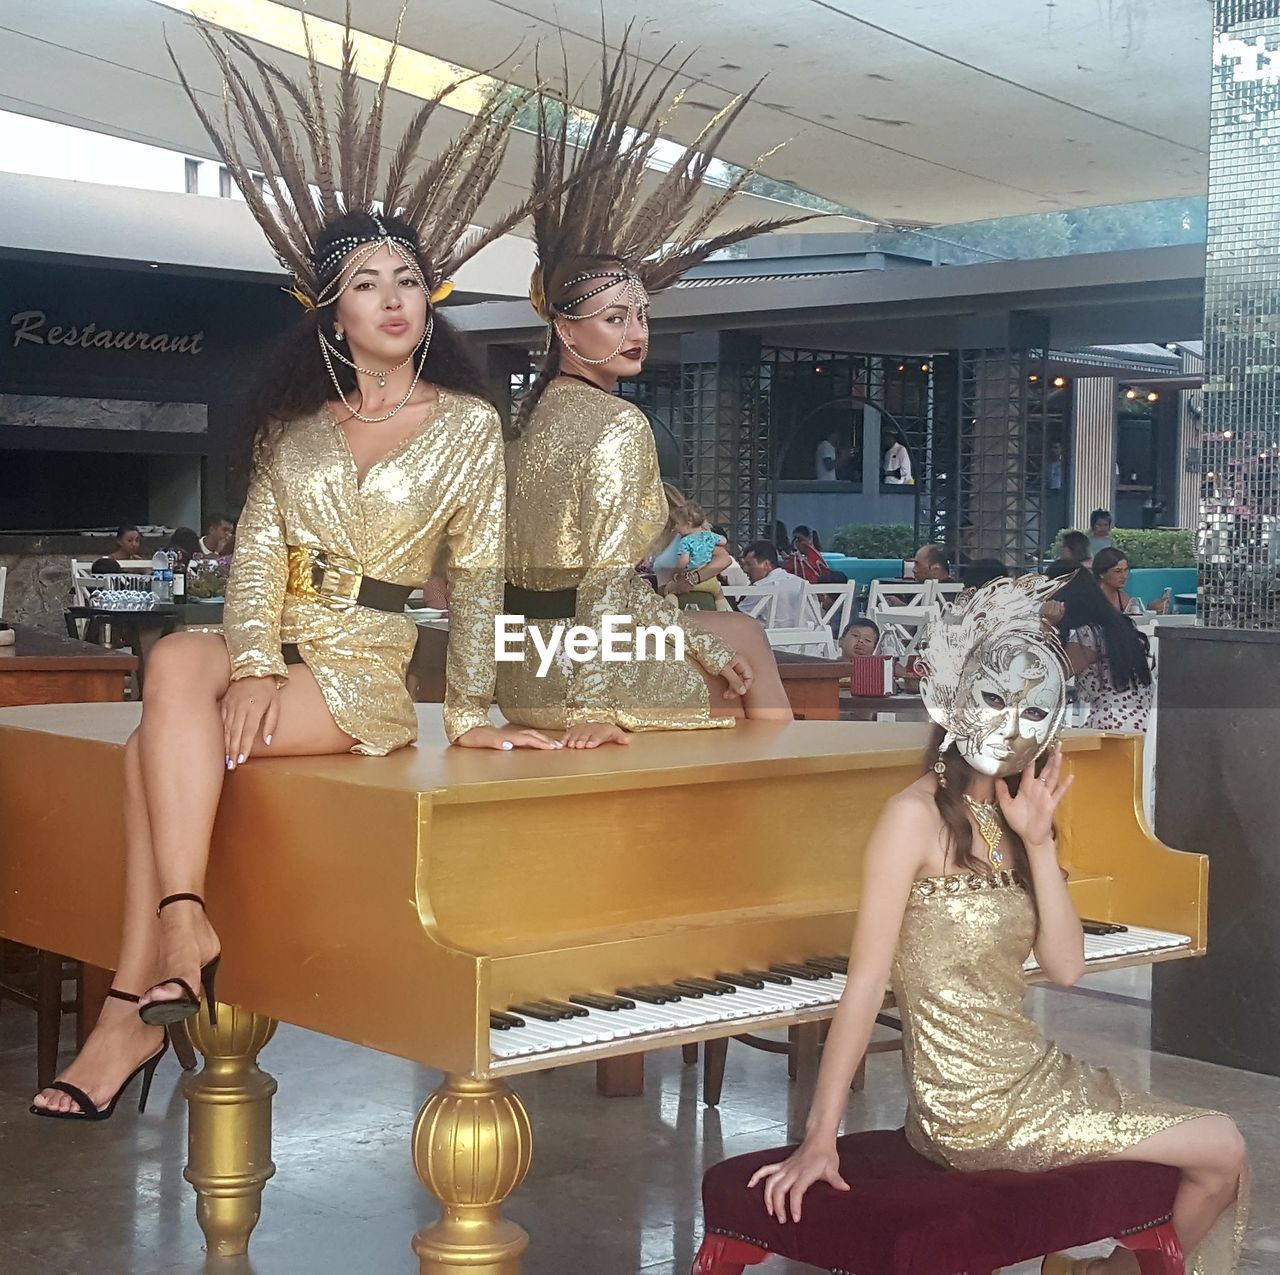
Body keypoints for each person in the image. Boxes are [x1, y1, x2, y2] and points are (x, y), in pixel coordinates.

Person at [31, 18, 560, 1121]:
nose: (394, 297)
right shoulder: (295, 430)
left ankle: (136, 1000)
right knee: (182, 652)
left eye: (408, 279)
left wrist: (470, 712)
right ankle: (179, 933)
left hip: (364, 664)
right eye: (368, 282)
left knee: (150, 736)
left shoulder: (466, 425)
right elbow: (261, 558)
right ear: (335, 312)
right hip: (279, 646)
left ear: (429, 302)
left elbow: (479, 580)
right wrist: (257, 661)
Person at [744, 575, 1246, 1274]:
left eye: (1032, 700)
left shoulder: (1020, 815)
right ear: (954, 702)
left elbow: (1067, 966)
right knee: (1222, 1144)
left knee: (1224, 1160)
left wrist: (1039, 843)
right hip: (968, 1109)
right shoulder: (911, 817)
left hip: (1033, 1075)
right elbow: (864, 984)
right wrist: (819, 1135)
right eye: (994, 696)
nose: (1013, 718)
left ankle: (1101, 1273)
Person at [499, 38, 807, 745]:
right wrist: (595, 707)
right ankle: (778, 800)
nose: (636, 332)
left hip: (522, 666)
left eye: (641, 314)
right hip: (580, 672)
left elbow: (606, 578)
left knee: (731, 633)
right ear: (565, 331)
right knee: (747, 643)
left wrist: (693, 599)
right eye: (614, 318)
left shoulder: (533, 416)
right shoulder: (614, 424)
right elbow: (608, 586)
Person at [1057, 567, 1155, 732]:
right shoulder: (1122, 625)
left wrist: (1046, 624)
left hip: (1110, 728)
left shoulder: (1089, 635)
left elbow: (1052, 675)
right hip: (1143, 725)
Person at [739, 541, 813, 629]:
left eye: (749, 564)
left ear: (766, 564)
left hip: (771, 641)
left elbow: (739, 618)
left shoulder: (762, 587)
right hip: (810, 640)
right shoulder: (801, 583)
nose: (745, 569)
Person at [1092, 546, 1165, 615]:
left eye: (1125, 570)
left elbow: (1134, 619)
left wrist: (1150, 610)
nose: (1124, 576)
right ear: (1102, 573)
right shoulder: (1092, 598)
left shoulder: (1122, 598)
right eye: (1118, 571)